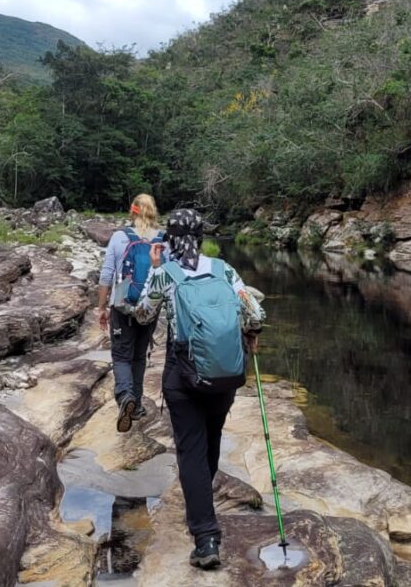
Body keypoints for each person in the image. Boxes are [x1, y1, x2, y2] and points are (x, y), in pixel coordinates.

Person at [133, 208, 265, 570]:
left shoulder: (167, 274)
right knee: (211, 440)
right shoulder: (224, 270)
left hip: (183, 373)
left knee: (190, 449)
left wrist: (155, 268)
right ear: (202, 235)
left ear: (171, 238)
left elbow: (144, 314)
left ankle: (206, 537)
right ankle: (202, 504)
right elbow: (255, 315)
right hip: (224, 373)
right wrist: (249, 333)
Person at [97, 194, 164, 433]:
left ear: (133, 211)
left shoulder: (119, 237)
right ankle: (136, 405)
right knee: (138, 355)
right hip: (150, 307)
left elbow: (106, 275)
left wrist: (102, 307)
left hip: (122, 304)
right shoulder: (162, 239)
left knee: (122, 355)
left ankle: (126, 396)